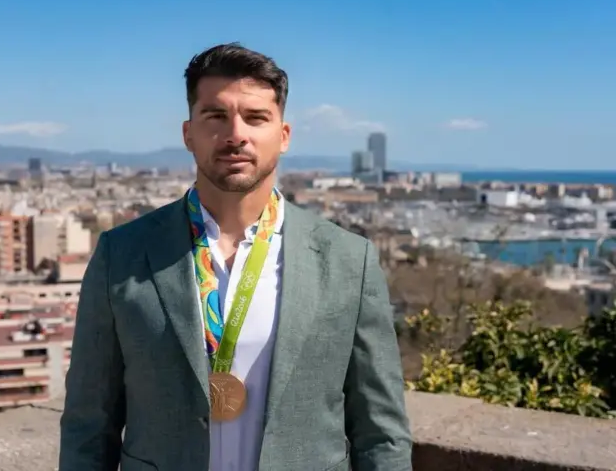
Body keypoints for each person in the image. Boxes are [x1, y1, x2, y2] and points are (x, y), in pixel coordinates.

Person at [59, 42, 412, 471]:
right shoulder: (122, 254)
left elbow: (380, 431)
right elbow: (87, 425)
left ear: (283, 136)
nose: (236, 134)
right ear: (188, 133)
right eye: (216, 116)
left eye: (256, 117)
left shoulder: (348, 261)